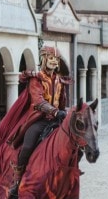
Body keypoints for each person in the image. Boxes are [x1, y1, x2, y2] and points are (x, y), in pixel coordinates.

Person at [8, 46, 70, 185]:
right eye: (51, 58)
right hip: (38, 119)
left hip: (56, 120)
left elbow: (62, 102)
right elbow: (38, 100)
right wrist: (55, 112)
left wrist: (64, 112)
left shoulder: (60, 80)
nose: (54, 61)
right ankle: (18, 176)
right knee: (28, 145)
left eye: (56, 59)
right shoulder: (36, 79)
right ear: (44, 59)